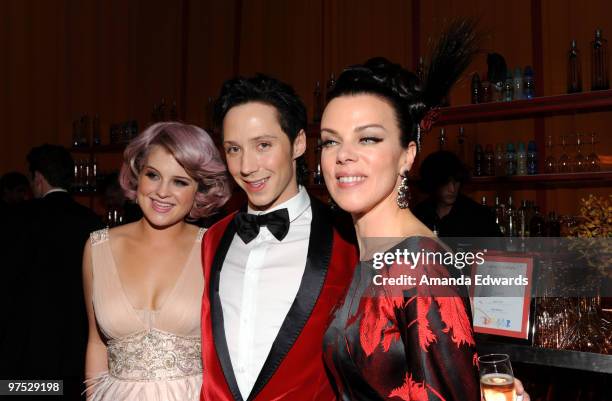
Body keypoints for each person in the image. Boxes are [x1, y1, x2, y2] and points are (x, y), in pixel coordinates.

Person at [319, 21, 530, 401]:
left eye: (368, 138)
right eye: (330, 141)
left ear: (407, 155)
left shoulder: (417, 263)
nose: (343, 155)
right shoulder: (370, 252)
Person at [200, 75, 358, 401]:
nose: (246, 166)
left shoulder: (348, 240)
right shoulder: (212, 239)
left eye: (263, 145)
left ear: (298, 143)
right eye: (233, 149)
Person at [83, 122, 230, 400]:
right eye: (153, 175)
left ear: (199, 190)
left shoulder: (214, 247)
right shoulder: (97, 248)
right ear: (138, 175)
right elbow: (96, 343)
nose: (162, 192)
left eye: (180, 181)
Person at [0, 145, 103, 400]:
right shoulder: (94, 224)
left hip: (23, 356)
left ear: (38, 178)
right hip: (76, 359)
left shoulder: (13, 221)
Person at [413, 150, 501, 237]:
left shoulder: (480, 216)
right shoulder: (419, 214)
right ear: (432, 183)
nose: (452, 189)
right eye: (445, 183)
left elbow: (498, 249)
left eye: (456, 181)